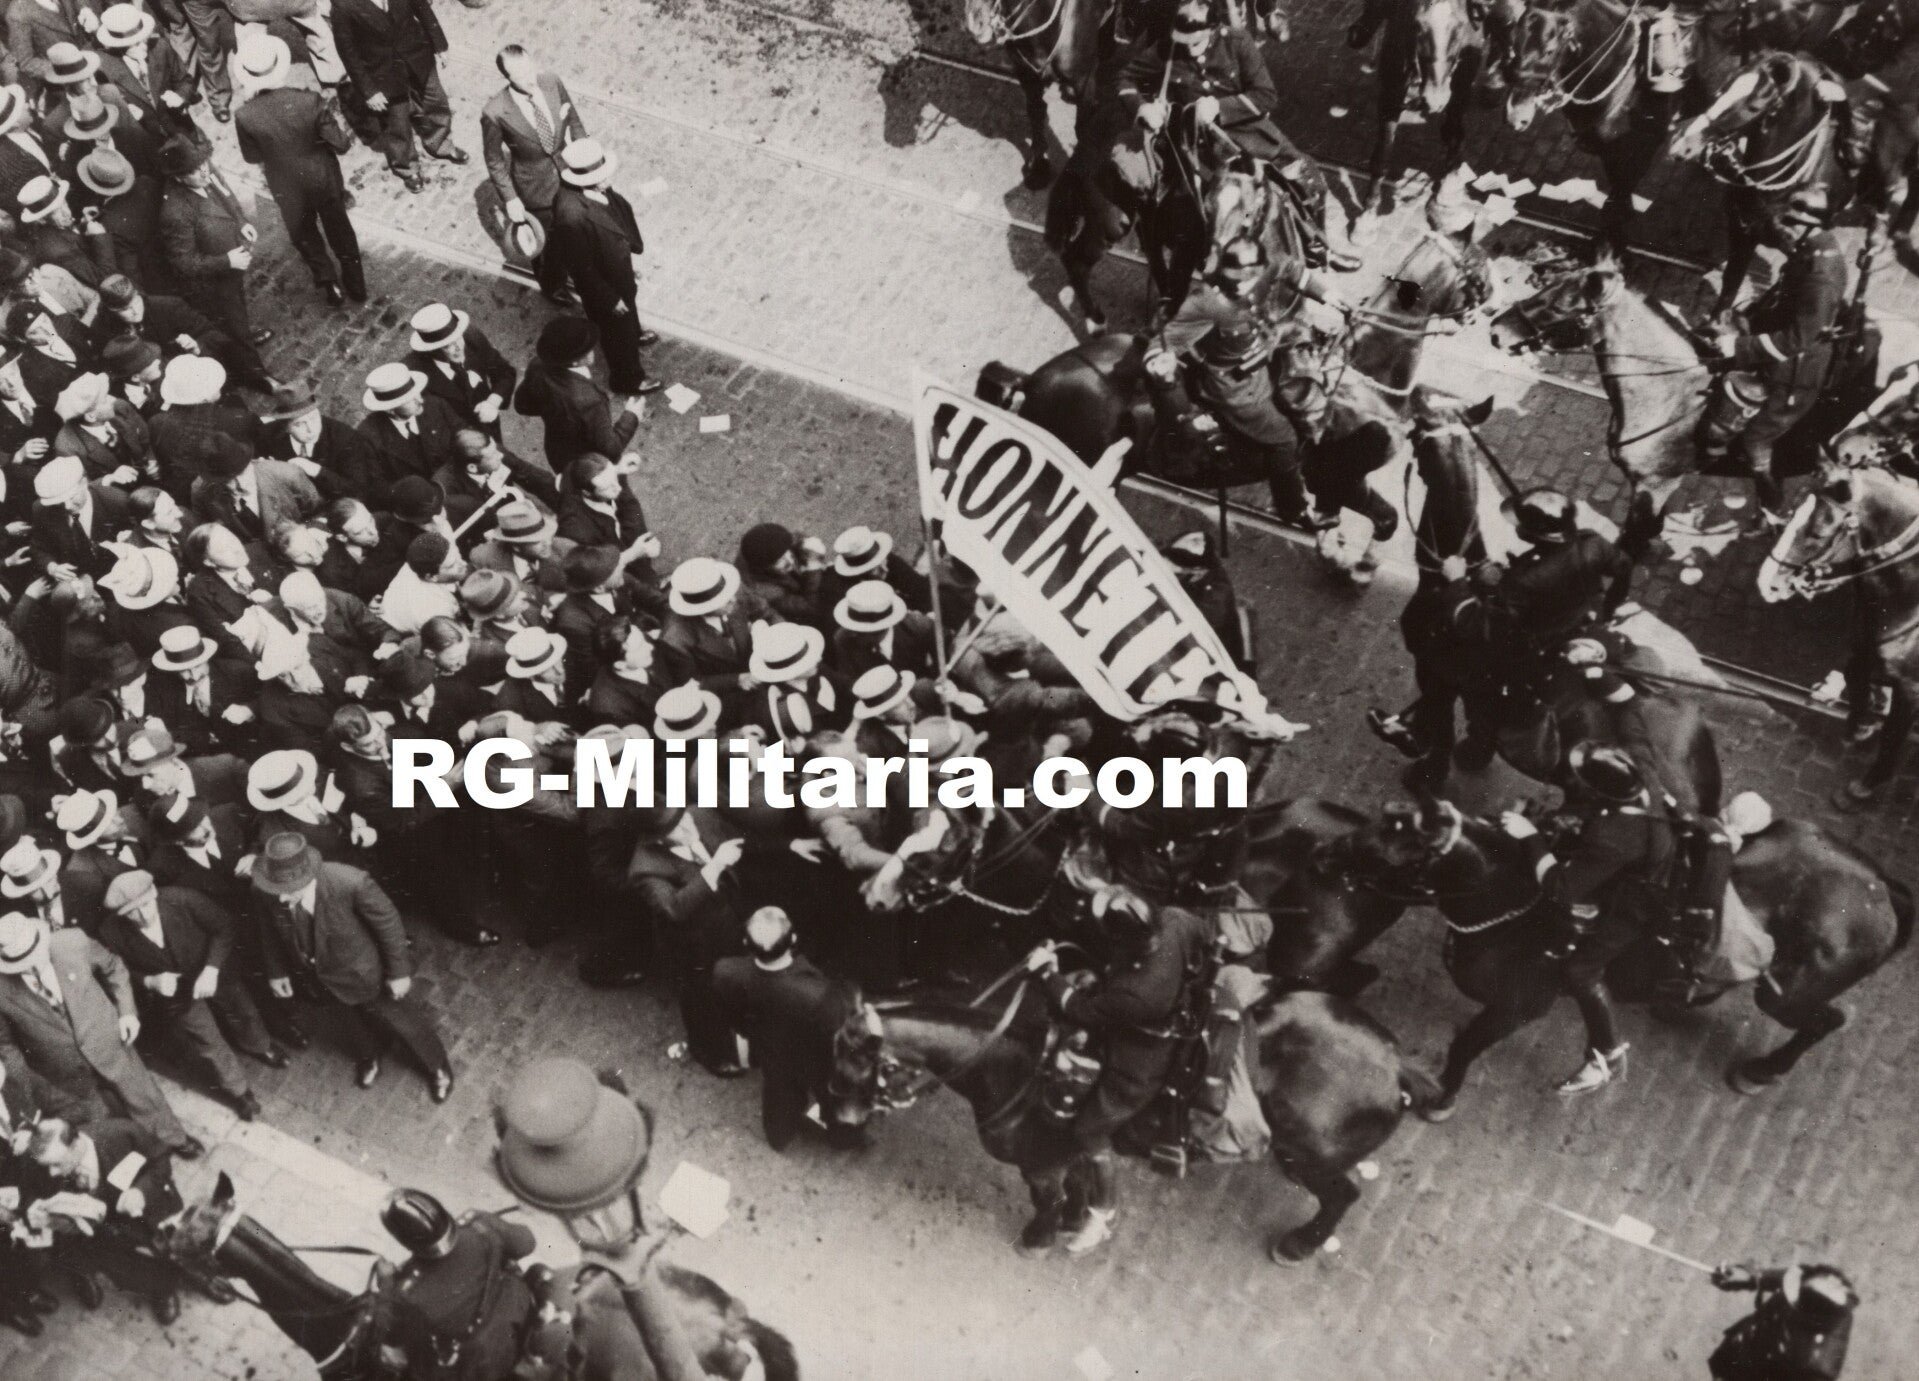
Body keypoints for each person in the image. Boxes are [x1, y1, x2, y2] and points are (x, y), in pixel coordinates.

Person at [1034, 885, 1213, 1253]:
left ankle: (1103, 1212)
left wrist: (1048, 974)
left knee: (1088, 1132)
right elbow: (1205, 935)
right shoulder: (1175, 920)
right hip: (1169, 1006)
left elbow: (1085, 1012)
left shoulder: (1136, 992)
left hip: (1138, 1060)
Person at [1117, 0, 1356, 270]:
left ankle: (1317, 248)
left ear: (1213, 29)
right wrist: (1142, 108)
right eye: (1184, 42)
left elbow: (1266, 96)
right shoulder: (1169, 50)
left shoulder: (1237, 42)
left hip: (1248, 131)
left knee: (1304, 175)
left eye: (1196, 42)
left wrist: (1220, 106)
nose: (1189, 49)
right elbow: (1125, 78)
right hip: (1197, 143)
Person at [1498, 741, 1671, 1095]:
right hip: (1649, 860)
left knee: (1581, 971)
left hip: (1639, 904)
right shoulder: (1646, 778)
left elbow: (1561, 887)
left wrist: (1529, 835)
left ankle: (1606, 1054)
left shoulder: (1615, 838)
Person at [1146, 235, 1341, 527]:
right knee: (1284, 439)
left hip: (1265, 354)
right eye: (1232, 277)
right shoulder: (1207, 302)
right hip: (1235, 389)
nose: (1239, 284)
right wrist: (1158, 362)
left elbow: (1289, 267)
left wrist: (1326, 294)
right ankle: (1294, 508)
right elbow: (1165, 341)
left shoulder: (1265, 268)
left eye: (1248, 278)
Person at [250, 829, 455, 1100]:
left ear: (305, 878)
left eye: (288, 893)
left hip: (366, 973)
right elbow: (269, 930)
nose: (282, 900)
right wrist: (276, 972)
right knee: (349, 1021)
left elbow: (388, 923)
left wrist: (399, 972)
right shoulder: (266, 889)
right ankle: (369, 1055)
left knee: (405, 1022)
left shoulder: (349, 882)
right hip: (318, 978)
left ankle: (437, 1066)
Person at [1700, 186, 1849, 520]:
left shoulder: (1821, 278)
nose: (1786, 230)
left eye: (1791, 224)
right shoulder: (1813, 247)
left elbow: (1799, 339)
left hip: (1795, 374)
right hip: (1783, 333)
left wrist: (1737, 346)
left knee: (1755, 438)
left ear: (1811, 225)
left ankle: (1772, 502)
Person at [0, 909, 203, 1154]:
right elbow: (5, 1042)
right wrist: (27, 1080)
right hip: (61, 1070)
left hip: (109, 1042)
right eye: (23, 964)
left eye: (37, 956)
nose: (35, 966)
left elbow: (114, 968)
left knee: (143, 1096)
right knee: (100, 1118)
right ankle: (137, 1151)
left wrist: (127, 1012)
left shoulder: (72, 942)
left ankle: (174, 1139)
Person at [94, 868, 271, 1118]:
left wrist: (211, 969)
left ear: (153, 893)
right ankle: (239, 1091)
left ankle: (259, 1045)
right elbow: (117, 969)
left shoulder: (184, 899)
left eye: (145, 904)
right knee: (207, 1041)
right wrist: (149, 981)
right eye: (131, 912)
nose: (142, 915)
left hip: (213, 970)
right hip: (175, 993)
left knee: (242, 1011)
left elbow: (224, 927)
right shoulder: (110, 932)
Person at [712, 906, 859, 1151]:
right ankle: (842, 1137)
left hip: (771, 1051)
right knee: (831, 1096)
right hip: (815, 1058)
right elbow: (837, 1030)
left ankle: (779, 1137)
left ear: (746, 942)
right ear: (793, 939)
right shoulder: (817, 993)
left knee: (779, 1095)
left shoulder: (726, 971)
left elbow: (729, 1009)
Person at [232, 35, 364, 308]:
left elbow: (251, 156)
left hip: (285, 184)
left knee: (303, 233)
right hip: (322, 177)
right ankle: (355, 282)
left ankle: (329, 284)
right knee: (339, 227)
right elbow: (340, 144)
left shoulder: (245, 115)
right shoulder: (309, 101)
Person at [381, 1186, 539, 1381]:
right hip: (514, 1312)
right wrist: (489, 1221)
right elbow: (527, 1243)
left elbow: (392, 1331)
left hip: (472, 1359)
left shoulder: (409, 1292)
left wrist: (386, 1281)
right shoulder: (480, 1225)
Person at [550, 137, 659, 396]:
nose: (607, 181)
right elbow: (580, 267)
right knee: (616, 334)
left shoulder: (595, 190)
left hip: (617, 272)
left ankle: (635, 333)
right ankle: (628, 379)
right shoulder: (571, 215)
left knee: (627, 320)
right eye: (601, 176)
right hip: (605, 287)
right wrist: (609, 298)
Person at [482, 45, 588, 301]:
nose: (530, 79)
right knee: (546, 242)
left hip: (568, 173)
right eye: (520, 76)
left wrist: (586, 153)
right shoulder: (495, 112)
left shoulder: (550, 81)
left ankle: (577, 268)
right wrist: (510, 199)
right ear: (507, 77)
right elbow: (494, 159)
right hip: (534, 188)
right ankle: (553, 286)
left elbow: (572, 116)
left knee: (577, 224)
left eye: (530, 70)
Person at [330, 0, 465, 194]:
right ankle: (407, 167)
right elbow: (348, 53)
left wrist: (440, 45)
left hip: (418, 55)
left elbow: (423, 9)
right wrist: (369, 91)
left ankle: (440, 143)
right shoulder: (343, 6)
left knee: (436, 102)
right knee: (396, 124)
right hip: (382, 73)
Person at [156, 135, 267, 348]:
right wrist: (227, 261)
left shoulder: (204, 172)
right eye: (195, 170)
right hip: (213, 280)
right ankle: (255, 370)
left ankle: (243, 335)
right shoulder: (175, 213)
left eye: (203, 164)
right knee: (232, 321)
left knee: (239, 312)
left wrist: (241, 221)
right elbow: (185, 263)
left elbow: (225, 194)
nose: (205, 172)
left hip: (232, 264)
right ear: (179, 178)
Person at [513, 315, 644, 466]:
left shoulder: (537, 365)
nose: (593, 350)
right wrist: (631, 415)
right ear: (575, 361)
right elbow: (612, 448)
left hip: (557, 451)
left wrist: (555, 412)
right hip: (587, 463)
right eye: (588, 350)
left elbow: (522, 405)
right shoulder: (588, 401)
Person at [1708, 1261, 1857, 1380]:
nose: (1788, 1292)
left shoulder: (1816, 1368)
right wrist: (1752, 1277)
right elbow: (1795, 1277)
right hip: (1743, 1352)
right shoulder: (1816, 1287)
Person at [404, 302, 516, 439]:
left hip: (490, 424)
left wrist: (493, 401)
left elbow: (504, 372)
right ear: (431, 349)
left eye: (457, 338)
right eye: (446, 346)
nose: (458, 348)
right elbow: (426, 425)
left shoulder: (472, 338)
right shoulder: (414, 375)